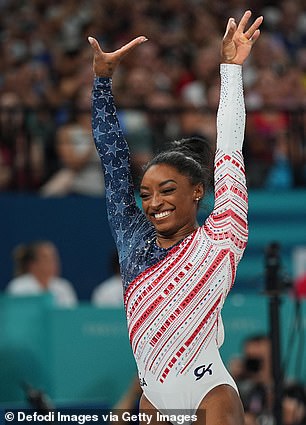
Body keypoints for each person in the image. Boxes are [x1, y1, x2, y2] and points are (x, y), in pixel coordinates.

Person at [88, 9, 263, 425]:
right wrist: (101, 83)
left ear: (198, 192)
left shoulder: (222, 237)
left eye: (167, 190)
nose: (154, 203)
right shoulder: (133, 236)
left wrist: (231, 70)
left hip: (209, 393)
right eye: (146, 194)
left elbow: (230, 149)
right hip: (153, 402)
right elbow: (113, 166)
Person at [6, 240, 78, 308]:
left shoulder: (64, 287)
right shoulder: (19, 287)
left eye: (54, 259)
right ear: (32, 264)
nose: (53, 263)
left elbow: (71, 315)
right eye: (47, 259)